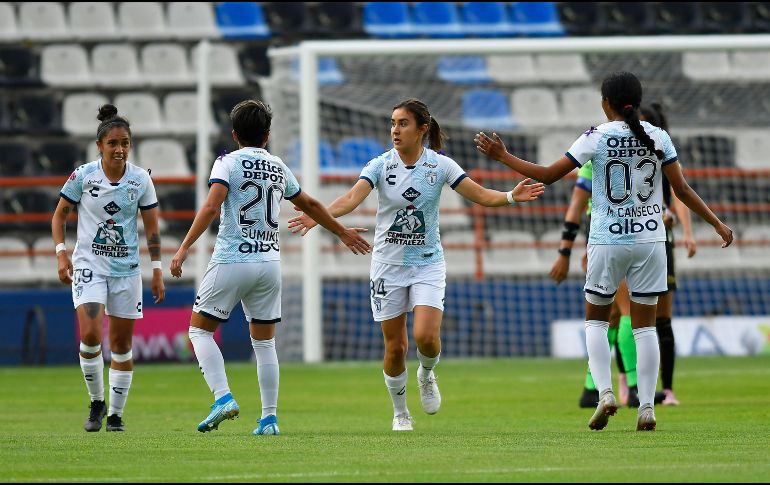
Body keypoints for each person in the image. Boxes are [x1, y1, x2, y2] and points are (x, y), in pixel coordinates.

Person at [475, 72, 733, 431]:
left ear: (605, 103)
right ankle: (646, 407)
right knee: (645, 329)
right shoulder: (659, 137)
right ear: (638, 102)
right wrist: (717, 224)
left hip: (607, 241)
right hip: (650, 242)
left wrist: (503, 157)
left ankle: (606, 394)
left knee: (596, 321)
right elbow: (683, 190)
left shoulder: (595, 136)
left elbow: (548, 175)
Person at [288, 98, 545, 431]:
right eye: (393, 123)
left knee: (425, 336)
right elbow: (351, 199)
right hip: (387, 266)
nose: (395, 130)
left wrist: (511, 196)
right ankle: (400, 413)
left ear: (422, 129)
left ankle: (426, 373)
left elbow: (479, 194)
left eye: (403, 123)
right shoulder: (380, 165)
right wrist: (316, 215)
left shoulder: (440, 166)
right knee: (395, 348)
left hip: (427, 263)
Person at [170, 100, 372, 436]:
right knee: (264, 344)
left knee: (199, 331)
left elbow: (211, 206)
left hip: (233, 258)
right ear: (267, 135)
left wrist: (184, 246)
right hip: (269, 264)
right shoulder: (277, 166)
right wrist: (341, 231)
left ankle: (222, 398)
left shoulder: (226, 162)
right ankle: (269, 419)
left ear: (234, 134)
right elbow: (309, 204)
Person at [52, 104, 166, 432]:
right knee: (89, 336)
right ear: (100, 145)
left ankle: (115, 414)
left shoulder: (141, 179)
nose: (120, 149)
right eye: (113, 143)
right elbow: (59, 215)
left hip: (127, 270)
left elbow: (152, 228)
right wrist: (62, 254)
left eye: (125, 143)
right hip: (89, 265)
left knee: (121, 346)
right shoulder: (83, 176)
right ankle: (96, 401)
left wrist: (156, 270)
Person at [640, 103, 698, 406]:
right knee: (627, 318)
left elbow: (679, 194)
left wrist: (686, 233)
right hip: (629, 237)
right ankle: (630, 386)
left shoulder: (662, 155)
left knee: (662, 318)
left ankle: (668, 390)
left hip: (661, 238)